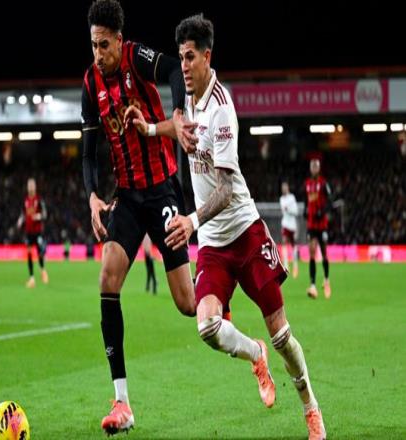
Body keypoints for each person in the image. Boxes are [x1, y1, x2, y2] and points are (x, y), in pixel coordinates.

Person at [125, 14, 326, 440]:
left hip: (245, 233)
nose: (183, 66)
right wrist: (150, 128)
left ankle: (311, 408)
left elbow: (228, 189)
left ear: (207, 57)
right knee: (206, 327)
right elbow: (179, 129)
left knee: (282, 334)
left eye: (189, 57)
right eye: (180, 57)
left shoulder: (222, 109)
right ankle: (254, 355)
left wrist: (193, 220)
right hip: (214, 246)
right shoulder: (188, 99)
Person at [81, 0, 197, 435]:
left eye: (104, 45)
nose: (98, 54)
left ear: (118, 40)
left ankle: (222, 295)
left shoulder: (136, 57)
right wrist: (94, 197)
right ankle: (122, 402)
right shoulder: (91, 82)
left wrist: (177, 113)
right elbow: (88, 151)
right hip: (128, 196)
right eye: (93, 45)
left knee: (187, 305)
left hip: (163, 189)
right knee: (107, 278)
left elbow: (174, 73)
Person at [304, 159, 331, 299]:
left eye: (316, 167)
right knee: (312, 253)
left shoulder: (324, 183)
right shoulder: (307, 184)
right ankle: (313, 285)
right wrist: (305, 210)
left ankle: (326, 280)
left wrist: (323, 211)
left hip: (322, 225)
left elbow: (330, 201)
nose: (314, 169)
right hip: (311, 225)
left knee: (324, 253)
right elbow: (306, 200)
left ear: (319, 169)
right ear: (310, 169)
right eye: (312, 166)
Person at [17, 178, 49, 288]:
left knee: (40, 252)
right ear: (27, 187)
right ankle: (32, 278)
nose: (30, 187)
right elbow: (23, 213)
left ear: (35, 187)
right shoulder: (25, 201)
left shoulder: (39, 200)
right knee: (29, 253)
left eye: (32, 185)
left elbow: (45, 214)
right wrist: (20, 220)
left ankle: (43, 270)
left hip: (38, 231)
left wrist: (38, 216)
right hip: (28, 231)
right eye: (29, 185)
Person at [280, 181, 299, 278]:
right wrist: (286, 209)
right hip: (285, 224)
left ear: (287, 188)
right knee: (284, 242)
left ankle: (295, 264)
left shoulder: (292, 197)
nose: (283, 189)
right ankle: (286, 265)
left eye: (285, 187)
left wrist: (289, 209)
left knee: (293, 244)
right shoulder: (281, 199)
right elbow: (283, 210)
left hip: (292, 225)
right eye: (282, 188)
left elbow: (296, 211)